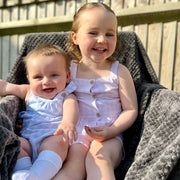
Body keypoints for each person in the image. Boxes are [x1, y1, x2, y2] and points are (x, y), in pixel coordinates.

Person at [53, 2, 138, 180]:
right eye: (93, 33)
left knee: (98, 159)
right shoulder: (69, 71)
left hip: (109, 137)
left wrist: (112, 130)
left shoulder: (119, 71)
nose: (102, 40)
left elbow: (131, 109)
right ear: (75, 38)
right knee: (74, 165)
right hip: (78, 135)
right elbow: (55, 97)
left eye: (110, 34)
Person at [0, 43, 79, 180]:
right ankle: (24, 173)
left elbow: (71, 107)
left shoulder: (66, 95)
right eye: (38, 77)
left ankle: (37, 176)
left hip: (51, 137)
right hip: (28, 141)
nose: (46, 81)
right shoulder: (28, 91)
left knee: (59, 142)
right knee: (17, 143)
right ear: (29, 78)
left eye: (54, 75)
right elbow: (5, 87)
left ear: (67, 76)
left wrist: (68, 122)